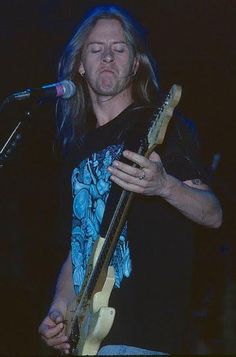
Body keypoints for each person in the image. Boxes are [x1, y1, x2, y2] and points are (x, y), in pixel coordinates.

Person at [38, 5, 222, 355]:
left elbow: (213, 214)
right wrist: (58, 311)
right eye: (96, 49)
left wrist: (165, 185)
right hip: (87, 341)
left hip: (144, 337)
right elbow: (76, 250)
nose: (107, 56)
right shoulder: (75, 152)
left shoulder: (159, 128)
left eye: (119, 48)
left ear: (135, 63)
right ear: (80, 64)